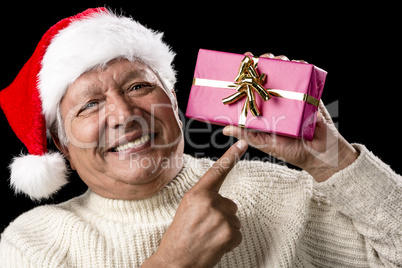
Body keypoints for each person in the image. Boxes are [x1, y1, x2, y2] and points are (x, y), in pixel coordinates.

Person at [0, 7, 400, 268]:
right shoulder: (33, 243)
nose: (123, 115)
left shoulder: (282, 194)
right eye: (89, 105)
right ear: (61, 142)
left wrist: (332, 159)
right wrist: (174, 261)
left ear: (173, 99)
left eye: (139, 87)